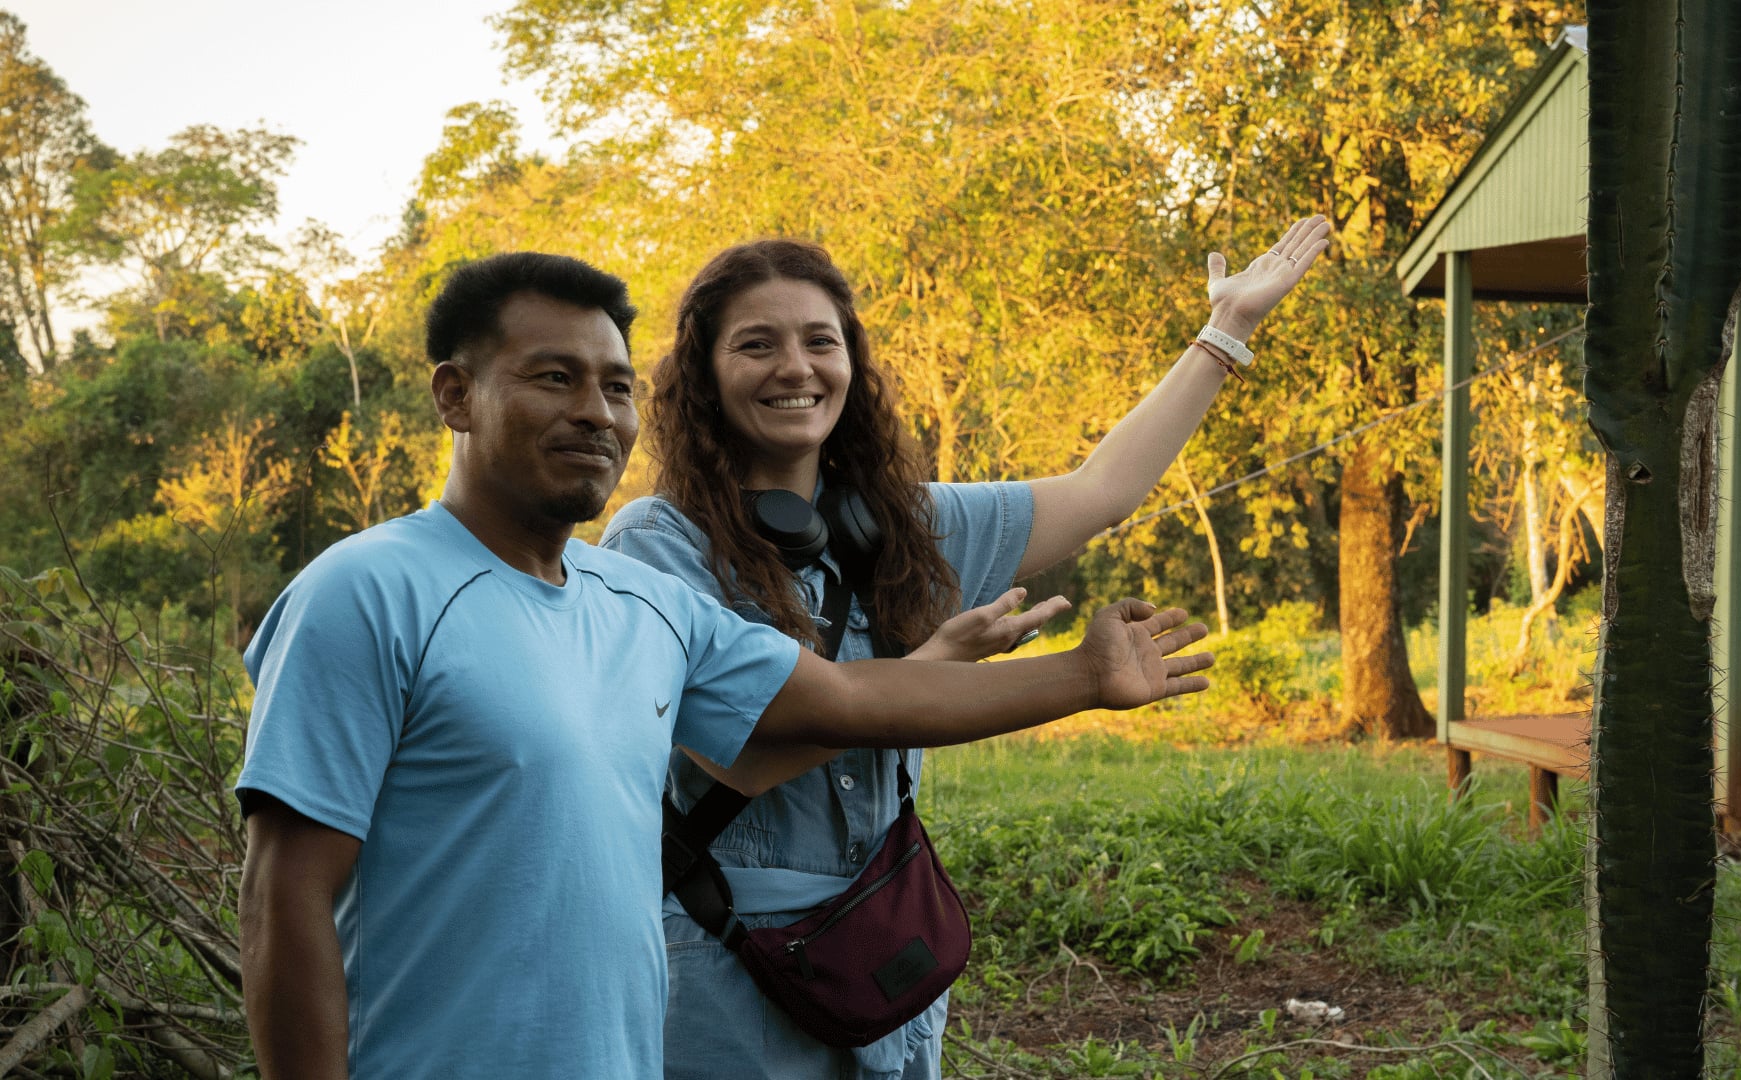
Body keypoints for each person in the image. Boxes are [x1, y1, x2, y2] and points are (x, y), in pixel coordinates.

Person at [234, 252, 1214, 1080]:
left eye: (614, 386)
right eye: (551, 378)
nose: (593, 412)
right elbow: (286, 896)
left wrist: (1083, 679)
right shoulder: (369, 593)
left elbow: (848, 697)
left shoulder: (636, 605)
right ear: (456, 393)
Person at [600, 215, 1330, 1080]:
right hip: (728, 965)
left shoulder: (904, 526)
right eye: (756, 345)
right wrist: (933, 672)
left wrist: (1226, 331)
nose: (795, 368)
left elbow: (1103, 489)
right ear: (705, 375)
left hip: (885, 945)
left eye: (820, 341)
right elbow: (743, 761)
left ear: (851, 364)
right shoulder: (656, 542)